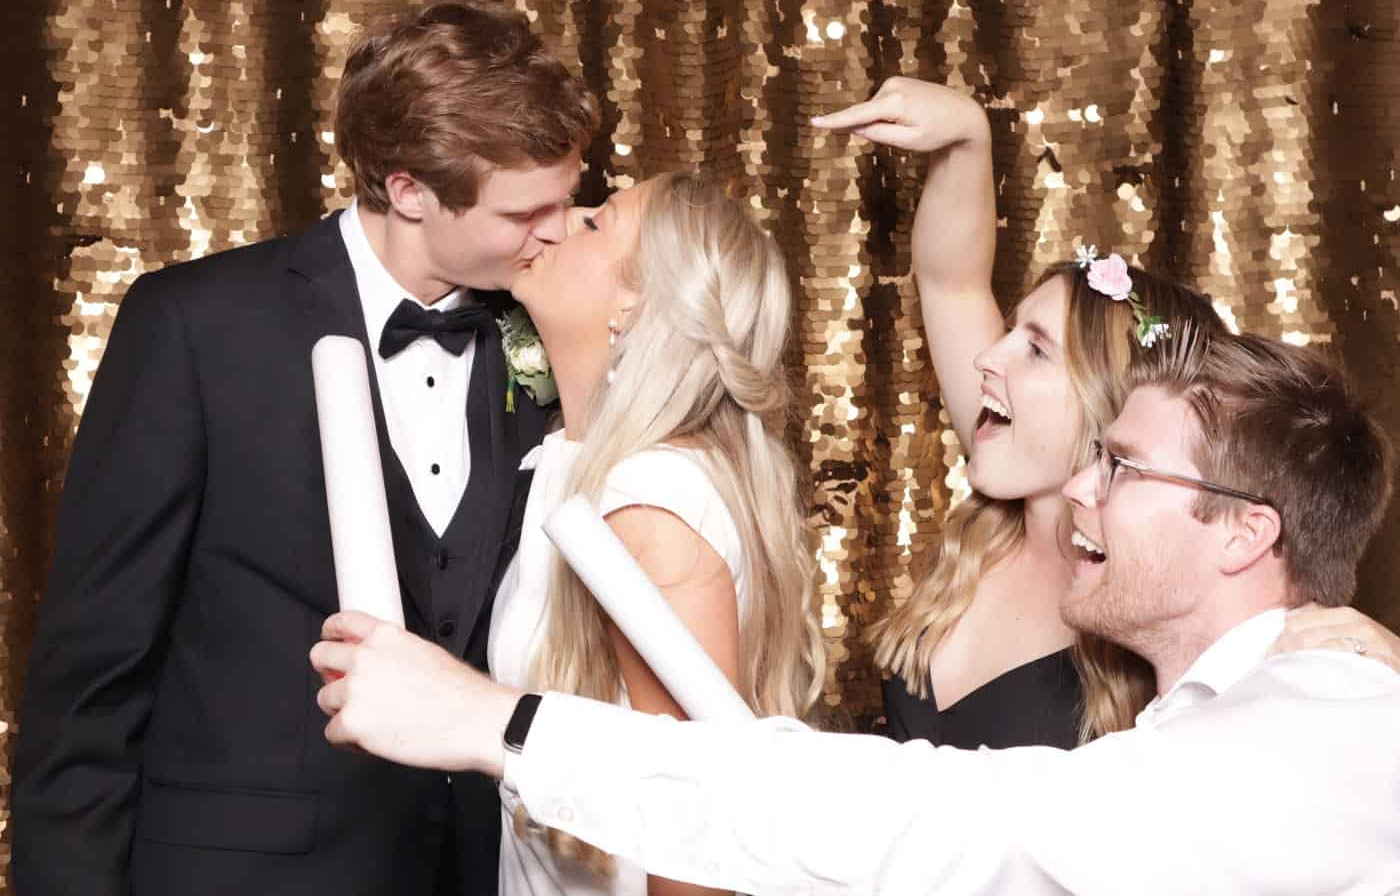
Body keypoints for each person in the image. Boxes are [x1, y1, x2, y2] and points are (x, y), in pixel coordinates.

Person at [313, 330, 1400, 894]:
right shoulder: (1238, 715)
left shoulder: (1315, 731)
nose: (1080, 485)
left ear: (1242, 532)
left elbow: (945, 822)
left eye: (1120, 465)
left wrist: (498, 724)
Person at [13, 0, 596, 896]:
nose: (560, 230)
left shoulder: (560, 326)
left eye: (567, 198)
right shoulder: (197, 325)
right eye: (527, 211)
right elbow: (91, 673)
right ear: (410, 191)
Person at [818, 78, 1399, 749]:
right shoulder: (1008, 481)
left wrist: (1374, 657)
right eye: (1010, 332)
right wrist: (968, 137)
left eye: (1036, 349)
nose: (986, 358)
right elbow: (951, 281)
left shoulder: (1154, 583)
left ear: (1102, 406)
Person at [487, 171, 825, 895]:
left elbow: (695, 848)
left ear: (635, 305)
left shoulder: (649, 498)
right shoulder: (573, 464)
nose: (561, 220)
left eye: (596, 222)